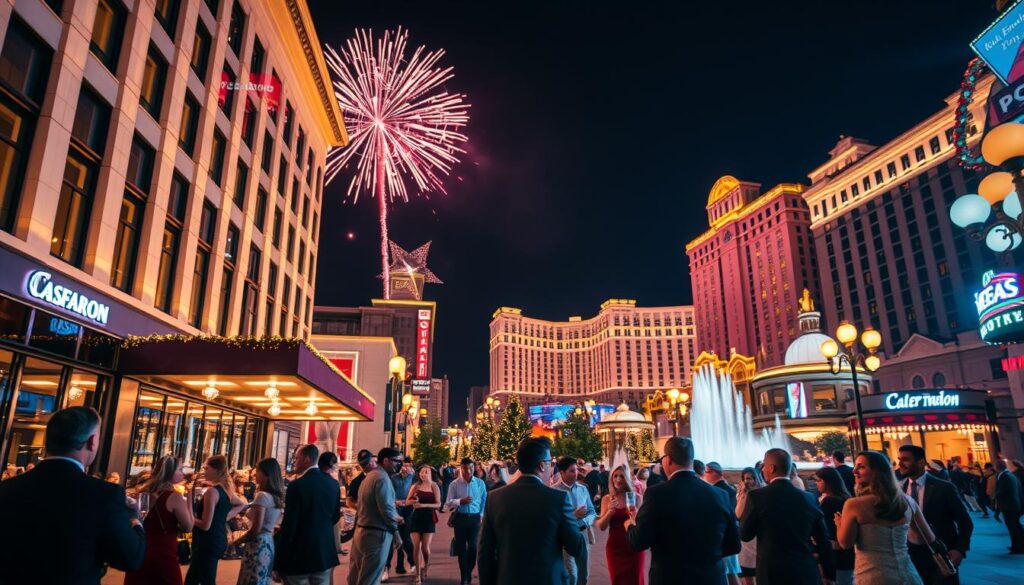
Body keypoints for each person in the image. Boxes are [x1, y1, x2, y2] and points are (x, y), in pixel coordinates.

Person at [0, 406, 145, 584]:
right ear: (92, 442)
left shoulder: (7, 488)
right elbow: (130, 558)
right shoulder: (104, 494)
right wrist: (135, 519)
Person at [626, 436, 741, 585]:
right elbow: (733, 545)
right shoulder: (720, 495)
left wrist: (629, 525)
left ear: (668, 460)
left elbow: (639, 542)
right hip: (711, 578)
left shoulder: (657, 494)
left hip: (671, 578)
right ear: (691, 461)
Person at [479, 437, 584, 585]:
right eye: (550, 463)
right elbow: (576, 547)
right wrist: (575, 518)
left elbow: (485, 555)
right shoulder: (558, 499)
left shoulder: (494, 499)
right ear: (542, 465)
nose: (551, 467)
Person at [835, 451, 937, 585]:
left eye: (861, 467)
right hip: (907, 574)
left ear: (877, 471)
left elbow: (845, 543)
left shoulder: (854, 505)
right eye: (855, 466)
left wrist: (839, 524)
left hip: (872, 576)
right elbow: (928, 537)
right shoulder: (907, 502)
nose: (854, 471)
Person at [739, 448, 834, 585]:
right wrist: (829, 575)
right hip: (804, 571)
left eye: (764, 465)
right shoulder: (809, 498)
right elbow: (823, 540)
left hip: (771, 574)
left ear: (771, 468)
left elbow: (745, 534)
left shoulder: (757, 497)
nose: (762, 469)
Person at [896, 445, 973, 582]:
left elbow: (965, 521)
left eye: (905, 459)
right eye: (899, 459)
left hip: (940, 554)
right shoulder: (898, 489)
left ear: (920, 462)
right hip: (909, 555)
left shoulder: (944, 487)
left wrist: (960, 550)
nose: (900, 464)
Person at [125, 455, 195, 585]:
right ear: (169, 473)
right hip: (163, 553)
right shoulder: (174, 497)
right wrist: (190, 499)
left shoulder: (142, 492)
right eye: (179, 469)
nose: (182, 473)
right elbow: (188, 526)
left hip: (140, 550)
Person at [347, 448, 403, 585]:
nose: (399, 465)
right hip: (376, 534)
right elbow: (387, 509)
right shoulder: (382, 479)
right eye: (396, 461)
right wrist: (396, 532)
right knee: (370, 579)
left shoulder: (370, 477)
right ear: (385, 461)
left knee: (356, 577)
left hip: (363, 531)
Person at [186, 455, 245, 585]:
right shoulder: (226, 489)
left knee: (203, 578)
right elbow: (241, 504)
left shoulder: (212, 492)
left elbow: (205, 525)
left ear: (216, 470)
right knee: (196, 577)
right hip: (218, 537)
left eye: (207, 468)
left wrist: (190, 515)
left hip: (207, 540)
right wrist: (223, 517)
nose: (204, 471)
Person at [233, 458, 285, 585]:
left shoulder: (262, 496)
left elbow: (257, 527)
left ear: (266, 474)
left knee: (252, 578)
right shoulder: (276, 497)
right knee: (260, 578)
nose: (254, 474)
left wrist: (239, 540)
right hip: (268, 541)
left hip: (258, 543)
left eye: (257, 471)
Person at [596, 464, 644, 585]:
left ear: (627, 478)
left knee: (636, 579)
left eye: (622, 476)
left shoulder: (637, 498)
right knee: (617, 580)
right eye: (615, 476)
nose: (617, 479)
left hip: (633, 546)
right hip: (615, 548)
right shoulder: (607, 499)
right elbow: (601, 526)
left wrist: (637, 516)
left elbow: (643, 525)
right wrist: (609, 512)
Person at [554, 457, 597, 585]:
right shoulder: (554, 491)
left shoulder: (582, 489)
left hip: (582, 534)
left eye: (576, 470)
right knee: (571, 573)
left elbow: (592, 511)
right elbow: (554, 518)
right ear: (562, 472)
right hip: (565, 535)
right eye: (572, 471)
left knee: (583, 573)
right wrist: (574, 515)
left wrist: (586, 521)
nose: (576, 473)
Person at [445, 457, 488, 585]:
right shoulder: (455, 484)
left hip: (475, 519)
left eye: (470, 468)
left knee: (473, 547)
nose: (468, 471)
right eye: (465, 468)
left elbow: (484, 500)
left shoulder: (480, 483)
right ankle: (464, 576)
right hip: (460, 519)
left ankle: (468, 571)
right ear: (461, 469)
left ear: (474, 468)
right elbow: (448, 502)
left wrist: (481, 515)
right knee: (461, 548)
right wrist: (460, 501)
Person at [814, 467, 855, 585]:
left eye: (819, 480)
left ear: (828, 482)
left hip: (835, 553)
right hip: (848, 553)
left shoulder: (829, 501)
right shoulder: (846, 498)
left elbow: (825, 528)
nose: (816, 484)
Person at [704, 462, 740, 585]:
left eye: (706, 472)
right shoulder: (726, 489)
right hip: (728, 534)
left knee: (729, 573)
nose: (704, 476)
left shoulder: (719, 491)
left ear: (714, 472)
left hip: (724, 536)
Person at [406, 464, 441, 584]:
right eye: (421, 472)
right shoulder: (415, 486)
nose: (423, 474)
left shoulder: (434, 486)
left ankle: (425, 564)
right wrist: (414, 501)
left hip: (429, 518)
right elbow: (407, 501)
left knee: (425, 548)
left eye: (425, 472)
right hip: (416, 518)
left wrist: (424, 505)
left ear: (430, 473)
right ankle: (417, 575)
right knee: (416, 547)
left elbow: (438, 504)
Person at [385, 458, 416, 580]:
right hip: (395, 510)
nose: (406, 467)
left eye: (408, 465)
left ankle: (411, 563)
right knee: (393, 539)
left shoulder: (413, 478)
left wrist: (404, 502)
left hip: (407, 512)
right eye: (404, 465)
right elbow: (389, 494)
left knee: (405, 538)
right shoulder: (393, 478)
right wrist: (396, 502)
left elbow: (414, 496)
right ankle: (388, 567)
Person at [735, 467, 764, 585]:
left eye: (751, 478)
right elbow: (737, 514)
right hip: (746, 537)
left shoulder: (764, 493)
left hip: (760, 535)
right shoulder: (742, 494)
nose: (748, 481)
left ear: (757, 479)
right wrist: (742, 496)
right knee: (747, 572)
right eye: (746, 479)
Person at [994, 459, 1024, 554]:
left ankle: (1018, 547)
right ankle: (1017, 545)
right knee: (1015, 526)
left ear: (997, 467)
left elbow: (1004, 491)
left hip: (1009, 506)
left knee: (1013, 527)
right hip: (1014, 504)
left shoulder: (1005, 477)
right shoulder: (1011, 475)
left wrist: (995, 495)